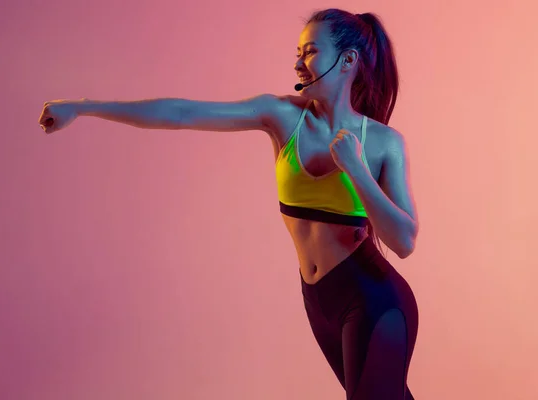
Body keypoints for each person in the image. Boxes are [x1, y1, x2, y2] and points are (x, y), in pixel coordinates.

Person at [38, 8, 420, 400]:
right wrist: (83, 107)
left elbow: (404, 241)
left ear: (347, 60)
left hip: (375, 303)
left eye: (309, 51)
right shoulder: (283, 116)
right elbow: (182, 113)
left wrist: (355, 169)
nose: (297, 62)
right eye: (298, 52)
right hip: (320, 303)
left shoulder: (381, 143)